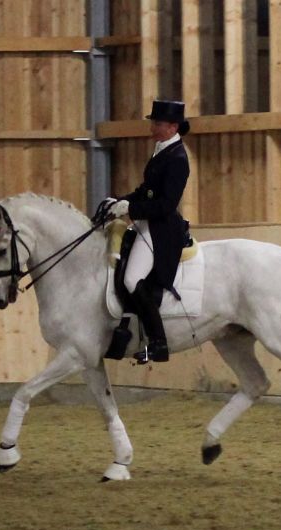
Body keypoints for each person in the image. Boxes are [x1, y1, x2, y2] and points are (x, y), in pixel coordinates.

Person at [107, 99, 191, 364]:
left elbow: (166, 205)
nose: (152, 127)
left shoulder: (178, 159)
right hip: (146, 223)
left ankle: (158, 343)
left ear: (173, 126)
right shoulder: (162, 149)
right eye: (153, 122)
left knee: (132, 280)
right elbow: (146, 191)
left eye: (157, 123)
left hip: (161, 229)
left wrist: (131, 208)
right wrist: (119, 201)